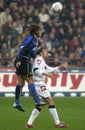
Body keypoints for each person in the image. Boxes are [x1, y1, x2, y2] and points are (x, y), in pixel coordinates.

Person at [26, 47, 69, 128]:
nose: (47, 53)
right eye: (45, 51)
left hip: (38, 84)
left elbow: (49, 69)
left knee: (40, 105)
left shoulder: (41, 60)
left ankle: (29, 123)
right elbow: (36, 70)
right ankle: (57, 123)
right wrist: (47, 74)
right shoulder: (39, 59)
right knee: (50, 102)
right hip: (39, 84)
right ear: (40, 53)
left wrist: (60, 66)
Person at [13, 23, 45, 112]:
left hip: (24, 60)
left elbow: (31, 51)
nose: (41, 32)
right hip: (23, 61)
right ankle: (38, 102)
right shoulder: (30, 39)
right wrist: (19, 59)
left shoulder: (35, 40)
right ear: (36, 31)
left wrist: (35, 58)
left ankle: (16, 102)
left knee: (20, 83)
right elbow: (21, 48)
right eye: (40, 30)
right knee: (30, 80)